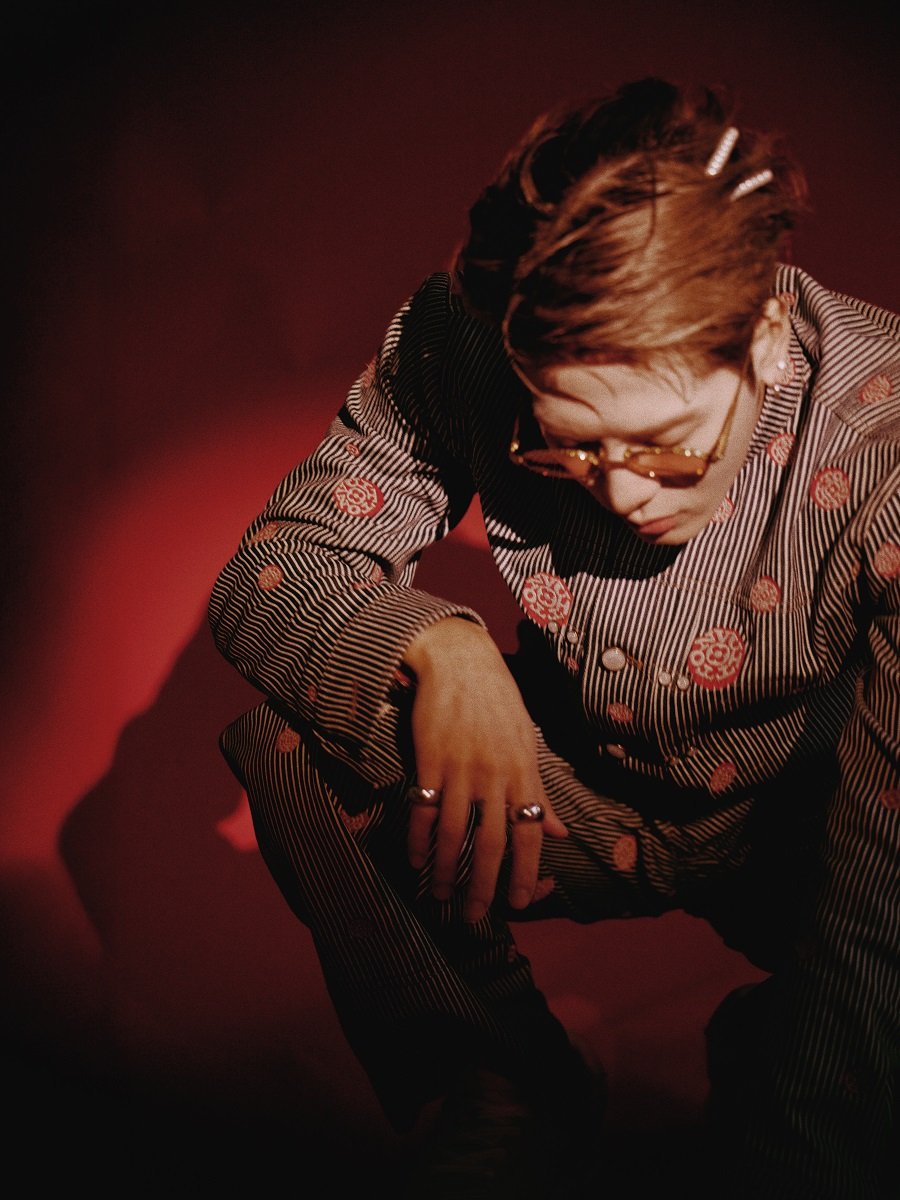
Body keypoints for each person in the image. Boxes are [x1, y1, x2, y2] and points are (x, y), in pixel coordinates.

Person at [207, 77, 898, 1198]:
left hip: (820, 832)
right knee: (296, 748)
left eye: (669, 445)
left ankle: (778, 1052)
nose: (621, 494)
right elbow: (269, 575)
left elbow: (882, 899)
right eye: (566, 447)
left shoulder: (890, 437)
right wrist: (439, 645)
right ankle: (511, 1079)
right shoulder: (469, 340)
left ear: (767, 339)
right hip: (574, 784)